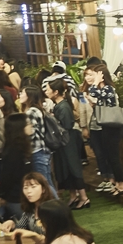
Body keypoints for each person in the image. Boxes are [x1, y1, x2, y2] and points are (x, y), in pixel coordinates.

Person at [82, 63, 123, 197]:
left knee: (114, 157)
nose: (92, 77)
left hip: (113, 128)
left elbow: (94, 92)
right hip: (106, 127)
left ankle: (121, 184)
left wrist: (95, 83)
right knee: (109, 156)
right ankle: (116, 183)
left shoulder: (108, 88)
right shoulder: (103, 90)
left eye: (95, 75)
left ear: (102, 76)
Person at [43, 77, 88, 209]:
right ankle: (73, 197)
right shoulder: (60, 105)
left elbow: (67, 125)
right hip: (64, 142)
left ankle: (84, 198)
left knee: (73, 168)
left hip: (68, 142)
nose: (46, 91)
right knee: (65, 169)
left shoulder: (63, 107)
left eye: (48, 89)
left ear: (56, 92)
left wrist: (53, 121)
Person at [19, 87, 54, 193]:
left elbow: (31, 134)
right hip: (42, 151)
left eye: (22, 93)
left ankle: (55, 202)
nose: (20, 95)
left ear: (29, 96)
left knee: (44, 184)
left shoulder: (31, 112)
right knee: (47, 182)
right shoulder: (36, 109)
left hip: (37, 151)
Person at [1, 172, 57, 237]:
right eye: (25, 188)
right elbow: (20, 229)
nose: (28, 191)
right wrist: (12, 224)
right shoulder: (30, 210)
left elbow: (55, 235)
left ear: (43, 189)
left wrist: (34, 235)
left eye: (33, 187)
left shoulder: (52, 209)